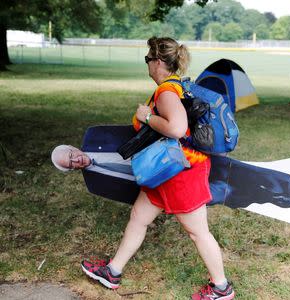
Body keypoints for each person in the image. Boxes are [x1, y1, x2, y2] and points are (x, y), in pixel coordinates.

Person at [78, 37, 235, 299]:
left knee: (198, 232)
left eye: (148, 59)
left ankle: (221, 288)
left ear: (158, 61)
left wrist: (147, 117)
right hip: (164, 170)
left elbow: (175, 128)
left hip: (180, 173)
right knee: (139, 217)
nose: (147, 65)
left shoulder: (166, 92)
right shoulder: (176, 87)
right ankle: (112, 272)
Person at [51, 144, 290, 209]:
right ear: (71, 171)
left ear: (74, 148)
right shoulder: (95, 183)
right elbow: (129, 196)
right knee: (223, 195)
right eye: (71, 165)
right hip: (164, 185)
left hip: (174, 155)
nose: (76, 161)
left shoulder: (97, 139)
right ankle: (270, 197)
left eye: (72, 155)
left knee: (235, 169)